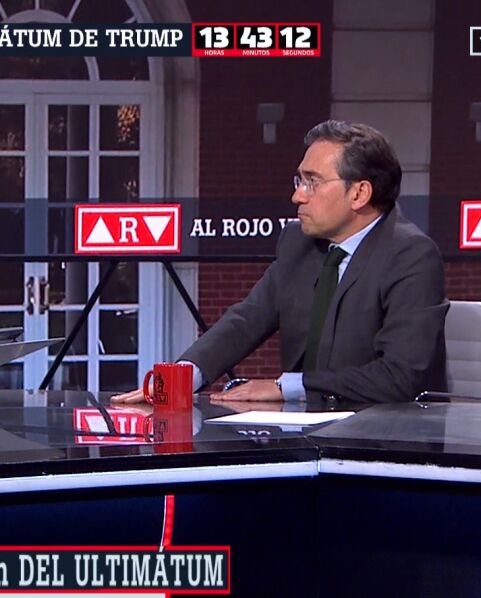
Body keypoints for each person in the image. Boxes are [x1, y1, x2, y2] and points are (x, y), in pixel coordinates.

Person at [115, 120, 448, 405]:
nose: (298, 195)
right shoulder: (298, 243)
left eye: (312, 182)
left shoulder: (410, 256)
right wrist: (184, 377)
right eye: (299, 181)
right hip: (302, 433)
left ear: (359, 194)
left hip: (380, 439)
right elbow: (248, 319)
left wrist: (286, 387)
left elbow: (400, 377)